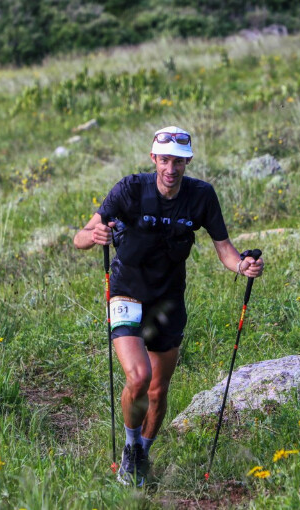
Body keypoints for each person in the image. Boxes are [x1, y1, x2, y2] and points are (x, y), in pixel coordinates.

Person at [73, 126, 264, 486]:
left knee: (158, 391)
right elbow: (80, 237)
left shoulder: (201, 196)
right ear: (153, 159)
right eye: (164, 160)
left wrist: (243, 266)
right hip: (127, 292)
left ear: (187, 162)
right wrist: (94, 235)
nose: (171, 169)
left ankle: (143, 454)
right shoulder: (130, 189)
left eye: (178, 162)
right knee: (139, 377)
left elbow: (225, 250)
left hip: (169, 299)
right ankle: (130, 448)